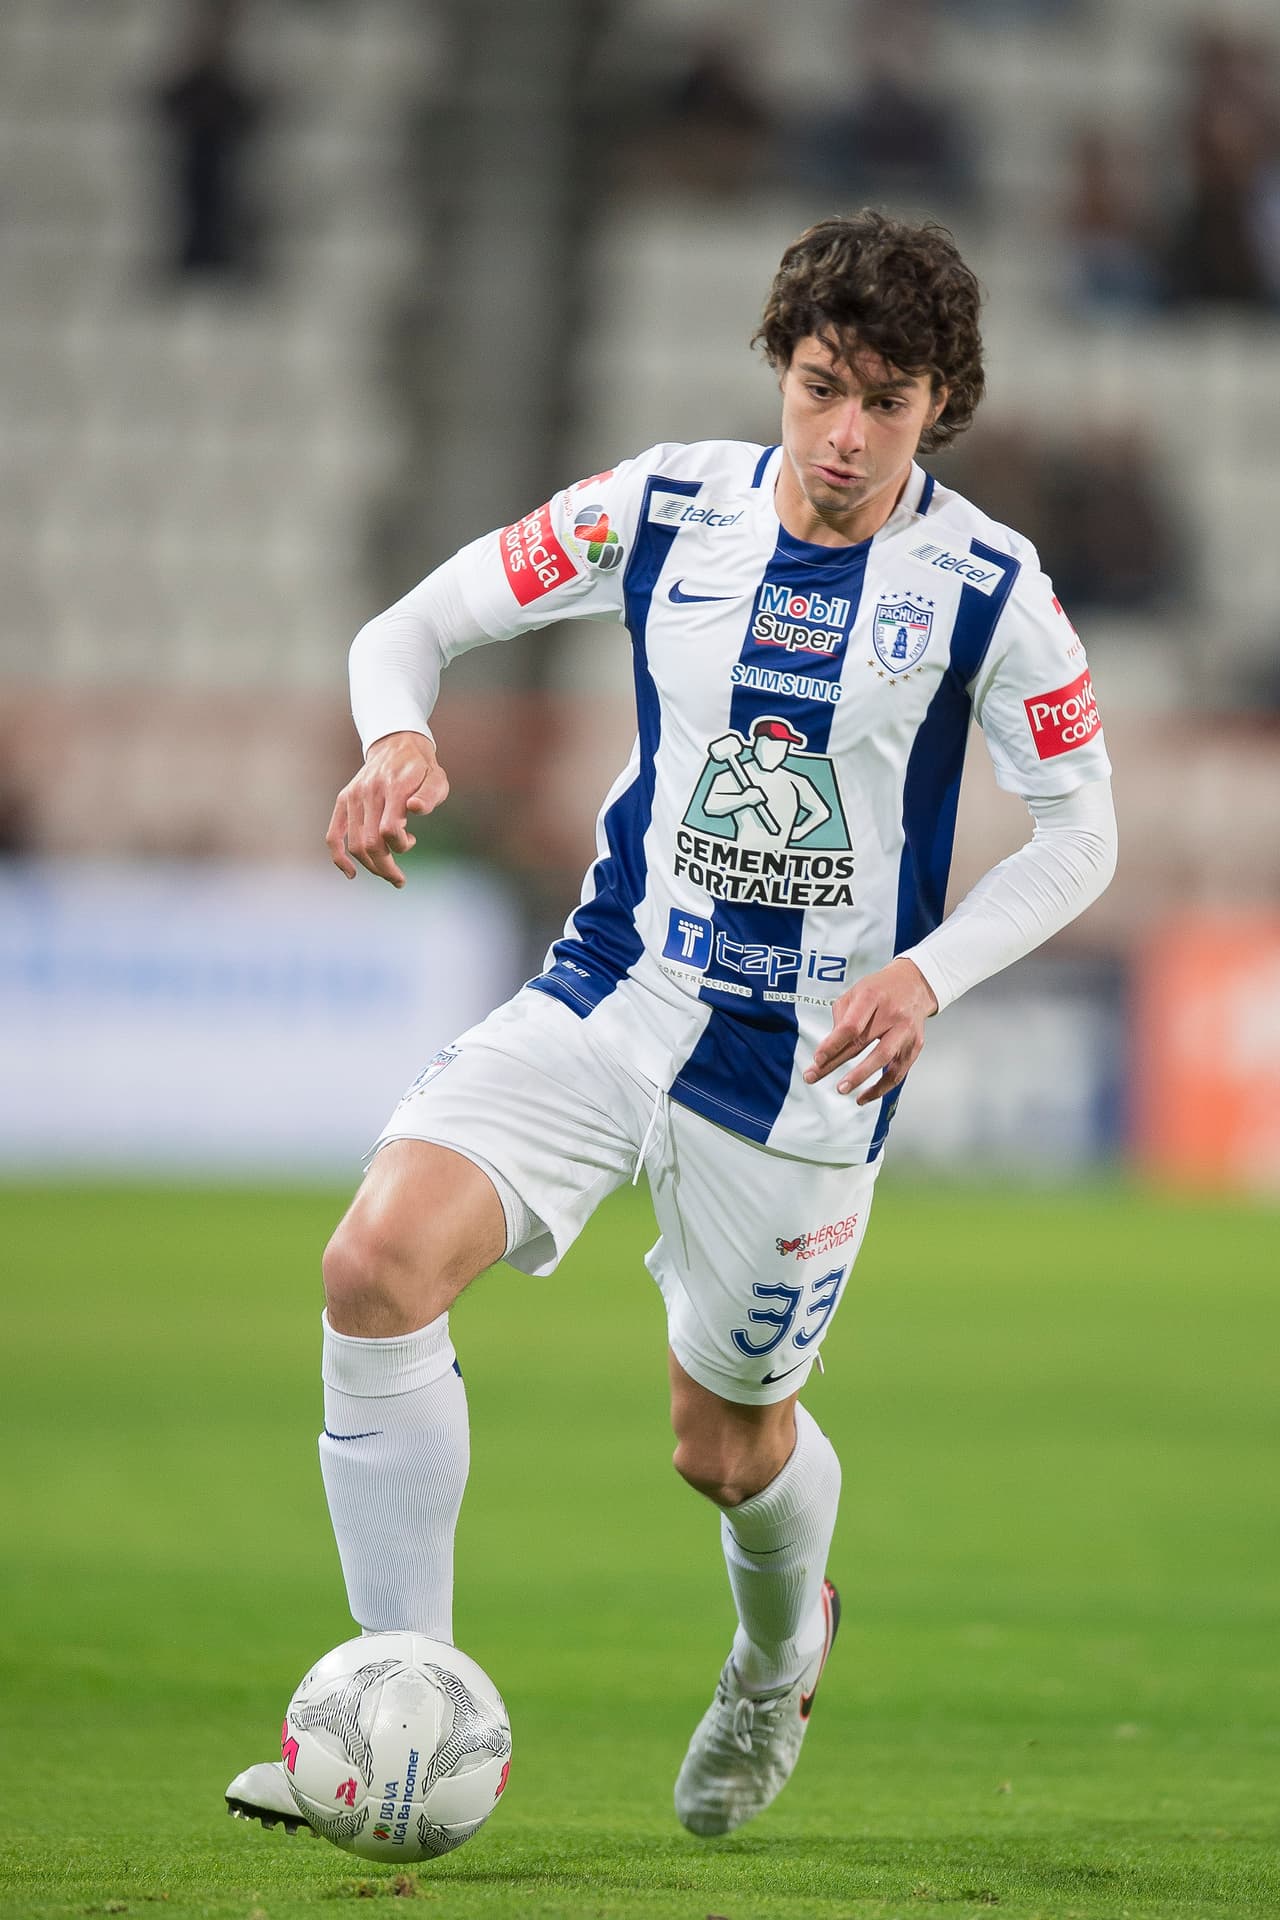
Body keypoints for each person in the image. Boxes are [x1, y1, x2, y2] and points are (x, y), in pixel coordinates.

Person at [226, 210, 1117, 1841]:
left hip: (800, 1071)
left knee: (726, 1447)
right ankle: (394, 1699)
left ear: (944, 406)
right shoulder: (668, 507)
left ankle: (781, 1657)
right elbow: (403, 628)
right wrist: (397, 737)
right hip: (616, 985)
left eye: (889, 403)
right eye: (822, 386)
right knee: (373, 1266)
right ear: (783, 364)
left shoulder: (988, 591)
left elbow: (1081, 834)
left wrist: (927, 972)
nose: (845, 438)